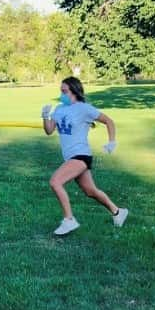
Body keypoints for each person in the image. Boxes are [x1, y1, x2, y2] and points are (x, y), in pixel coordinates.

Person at [42, 77, 128, 236]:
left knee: (55, 182)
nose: (61, 94)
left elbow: (108, 121)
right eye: (60, 90)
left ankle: (69, 220)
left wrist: (112, 142)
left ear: (74, 91)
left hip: (81, 155)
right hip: (70, 157)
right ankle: (118, 212)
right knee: (90, 191)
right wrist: (45, 116)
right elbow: (49, 131)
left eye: (64, 91)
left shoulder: (84, 109)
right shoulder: (59, 109)